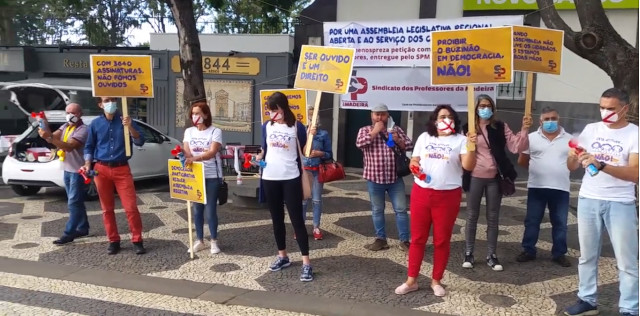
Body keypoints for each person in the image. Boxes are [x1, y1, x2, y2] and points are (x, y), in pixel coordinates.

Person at [563, 88, 639, 316]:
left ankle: (630, 308)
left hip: (620, 202)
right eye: (602, 107)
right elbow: (571, 167)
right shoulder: (591, 129)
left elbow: (635, 174)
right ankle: (587, 300)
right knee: (587, 256)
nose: (605, 112)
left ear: (625, 108)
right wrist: (573, 157)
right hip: (589, 198)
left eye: (611, 108)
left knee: (627, 261)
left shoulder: (634, 134)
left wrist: (602, 164)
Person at [394, 105, 476, 297]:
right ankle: (411, 280)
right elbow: (414, 160)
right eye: (441, 116)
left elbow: (468, 166)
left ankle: (436, 280)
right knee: (417, 239)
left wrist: (472, 147)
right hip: (422, 193)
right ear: (434, 120)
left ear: (455, 120)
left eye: (449, 116)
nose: (445, 119)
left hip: (447, 196)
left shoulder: (462, 140)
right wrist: (414, 166)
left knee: (442, 240)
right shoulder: (425, 137)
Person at [462, 94, 531, 271]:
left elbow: (516, 147)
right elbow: (461, 153)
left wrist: (524, 130)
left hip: (495, 178)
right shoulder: (468, 128)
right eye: (482, 105)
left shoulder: (500, 126)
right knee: (471, 216)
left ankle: (491, 255)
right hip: (475, 177)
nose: (486, 109)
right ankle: (469, 253)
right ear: (476, 108)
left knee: (493, 217)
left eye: (489, 106)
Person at [257, 91, 313, 282]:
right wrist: (257, 157)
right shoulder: (267, 126)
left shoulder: (297, 127)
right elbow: (264, 148)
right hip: (270, 177)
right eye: (269, 110)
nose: (272, 113)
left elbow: (305, 150)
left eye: (275, 109)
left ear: (283, 107)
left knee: (297, 220)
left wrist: (312, 135)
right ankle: (283, 255)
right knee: (276, 219)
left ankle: (306, 262)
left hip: (291, 177)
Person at [82, 97, 146, 255]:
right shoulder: (95, 124)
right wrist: (88, 163)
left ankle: (137, 239)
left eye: (112, 99)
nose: (110, 102)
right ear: (100, 104)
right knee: (107, 208)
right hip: (101, 169)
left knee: (131, 207)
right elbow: (89, 146)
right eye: (106, 100)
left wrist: (130, 127)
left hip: (121, 168)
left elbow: (140, 141)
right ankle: (113, 240)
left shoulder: (125, 120)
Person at [516, 107, 573, 267]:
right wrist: (537, 170)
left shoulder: (569, 139)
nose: (550, 122)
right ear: (540, 121)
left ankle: (559, 253)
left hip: (561, 188)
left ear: (559, 119)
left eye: (553, 118)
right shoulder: (531, 138)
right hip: (537, 187)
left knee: (560, 223)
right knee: (532, 221)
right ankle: (528, 250)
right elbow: (522, 160)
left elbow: (574, 161)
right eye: (546, 119)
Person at [356, 104, 413, 252]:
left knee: (401, 210)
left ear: (388, 115)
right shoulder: (364, 130)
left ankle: (404, 241)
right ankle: (381, 239)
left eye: (383, 114)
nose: (380, 117)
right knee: (377, 210)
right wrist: (375, 131)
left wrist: (398, 140)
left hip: (394, 178)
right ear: (372, 115)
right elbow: (360, 144)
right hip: (374, 178)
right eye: (377, 114)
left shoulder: (396, 129)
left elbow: (409, 145)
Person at [38, 103, 90, 245]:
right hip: (67, 169)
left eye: (73, 112)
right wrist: (44, 126)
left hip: (78, 171)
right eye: (67, 112)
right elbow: (52, 138)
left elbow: (69, 147)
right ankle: (83, 228)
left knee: (73, 202)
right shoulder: (66, 126)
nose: (69, 115)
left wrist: (49, 138)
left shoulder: (83, 129)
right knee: (76, 201)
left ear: (80, 114)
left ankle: (69, 233)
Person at [182, 101, 224, 255]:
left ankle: (214, 240)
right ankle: (199, 240)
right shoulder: (189, 132)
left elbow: (212, 152)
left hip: (212, 175)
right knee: (197, 210)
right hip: (195, 176)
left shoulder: (215, 131)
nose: (195, 116)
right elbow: (187, 151)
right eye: (193, 113)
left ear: (205, 115)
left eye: (198, 113)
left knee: (210, 210)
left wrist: (195, 158)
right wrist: (183, 155)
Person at [302, 105, 333, 240]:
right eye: (309, 115)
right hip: (304, 171)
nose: (312, 118)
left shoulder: (323, 134)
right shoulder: (301, 132)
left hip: (316, 171)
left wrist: (321, 153)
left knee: (316, 200)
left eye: (314, 115)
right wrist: (308, 135)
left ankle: (316, 227)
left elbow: (329, 154)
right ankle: (300, 227)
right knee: (303, 201)